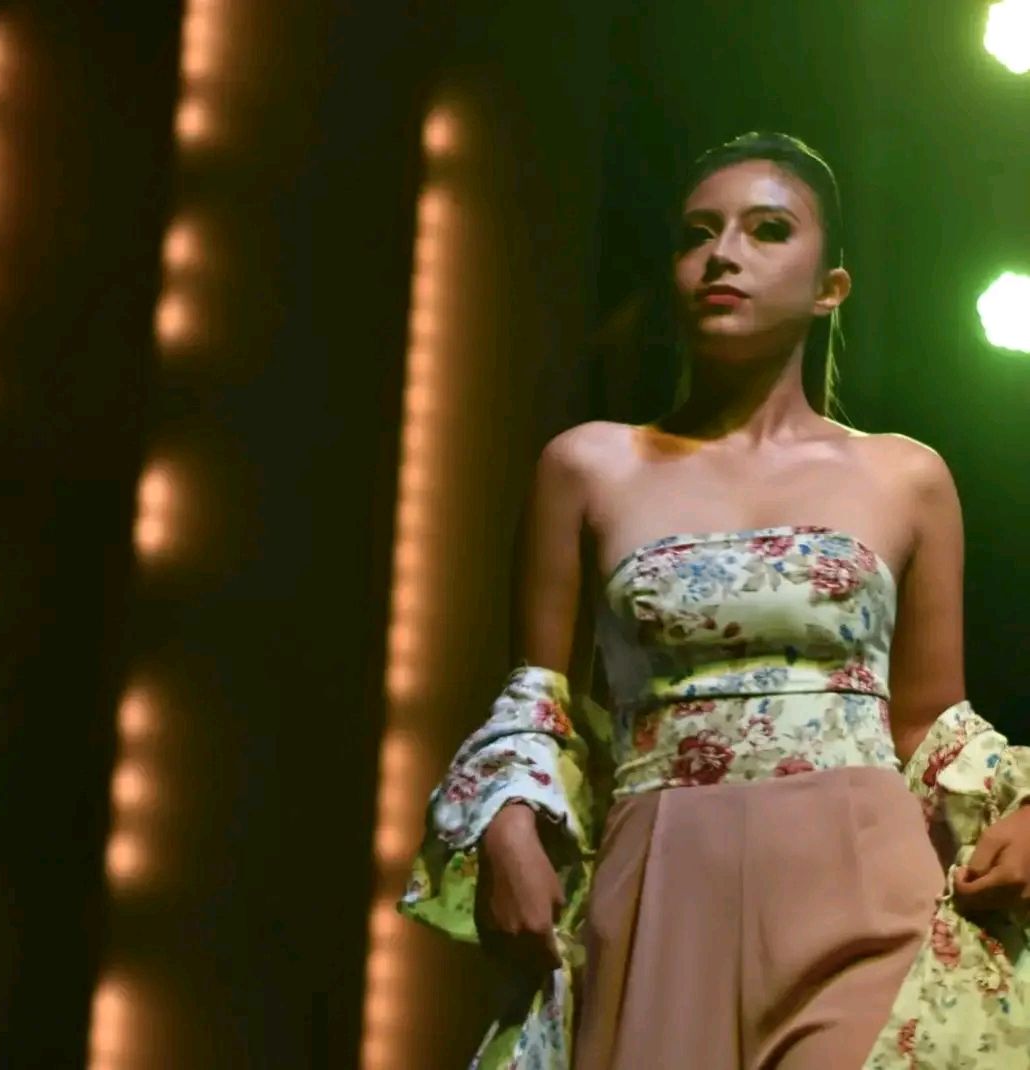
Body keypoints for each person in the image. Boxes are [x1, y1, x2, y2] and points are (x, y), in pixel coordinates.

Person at [398, 132, 1030, 1069]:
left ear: (831, 288)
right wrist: (507, 825)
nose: (722, 255)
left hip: (861, 878)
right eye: (699, 234)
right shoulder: (589, 466)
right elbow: (541, 703)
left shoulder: (907, 477)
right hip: (663, 883)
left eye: (767, 230)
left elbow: (929, 724)